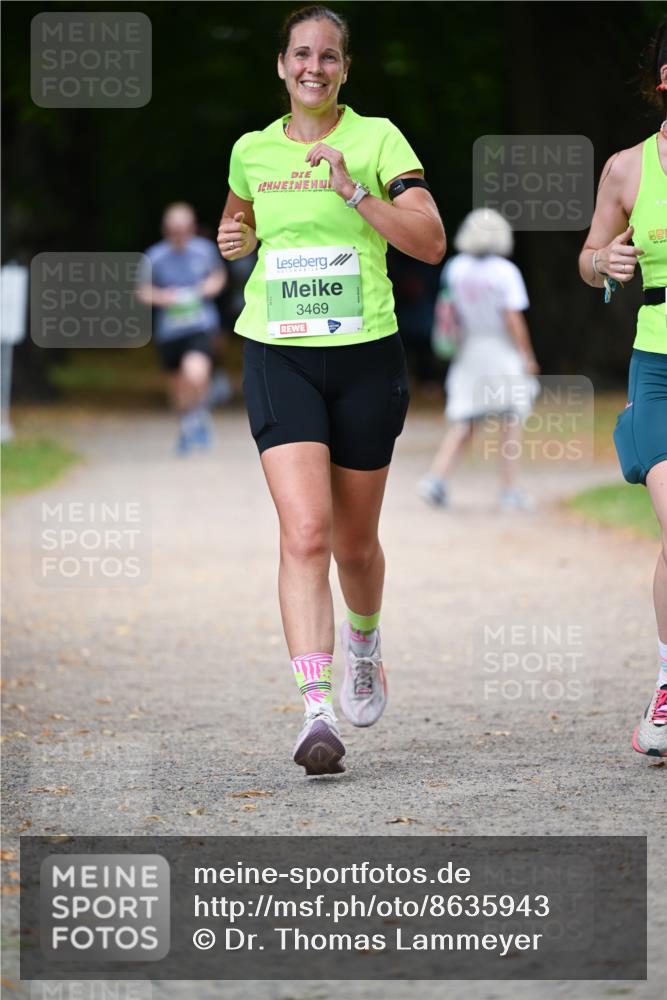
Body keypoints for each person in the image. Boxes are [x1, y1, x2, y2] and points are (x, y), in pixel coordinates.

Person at [217, 4, 445, 775]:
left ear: (345, 69)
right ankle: (315, 713)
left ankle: (365, 640)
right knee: (305, 532)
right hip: (278, 356)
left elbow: (429, 239)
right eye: (300, 55)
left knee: (353, 542)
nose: (313, 68)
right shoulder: (250, 150)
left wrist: (354, 194)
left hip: (364, 359)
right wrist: (233, 239)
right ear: (281, 65)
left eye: (328, 57)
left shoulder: (378, 140)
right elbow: (238, 222)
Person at [579, 19, 667, 759]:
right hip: (658, 364)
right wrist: (602, 258)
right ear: (663, 78)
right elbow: (586, 257)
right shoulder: (626, 169)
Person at [417, 209, 540, 512]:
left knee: (465, 419)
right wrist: (527, 356)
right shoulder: (504, 272)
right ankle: (510, 489)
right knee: (510, 419)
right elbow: (513, 318)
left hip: (468, 349)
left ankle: (436, 478)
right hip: (500, 350)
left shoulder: (455, 268)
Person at [137, 202, 227, 454]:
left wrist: (205, 289)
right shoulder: (154, 256)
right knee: (177, 386)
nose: (179, 233)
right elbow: (143, 291)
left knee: (196, 373)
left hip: (200, 325)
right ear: (166, 229)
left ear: (192, 227)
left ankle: (200, 413)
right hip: (170, 330)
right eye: (174, 228)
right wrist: (165, 297)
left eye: (184, 228)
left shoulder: (204, 250)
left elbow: (218, 277)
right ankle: (188, 424)